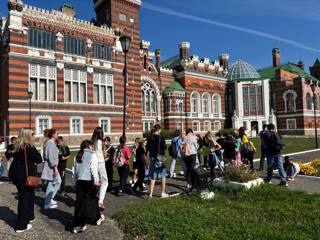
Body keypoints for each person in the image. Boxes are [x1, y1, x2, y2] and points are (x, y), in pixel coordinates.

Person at [9, 129, 42, 233]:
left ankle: (29, 217)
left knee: (28, 197)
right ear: (27, 136)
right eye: (32, 134)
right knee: (24, 200)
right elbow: (39, 159)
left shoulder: (18, 147)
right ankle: (21, 225)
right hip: (26, 177)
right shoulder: (28, 147)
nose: (34, 136)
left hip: (19, 177)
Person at [73, 140, 105, 234]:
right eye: (92, 146)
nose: (92, 147)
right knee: (92, 200)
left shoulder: (77, 155)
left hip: (79, 182)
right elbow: (93, 169)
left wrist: (75, 182)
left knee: (79, 203)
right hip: (89, 181)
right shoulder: (92, 154)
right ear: (89, 146)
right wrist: (96, 181)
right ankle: (95, 218)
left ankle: (78, 224)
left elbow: (75, 171)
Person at [146, 124, 168, 198]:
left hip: (152, 159)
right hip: (160, 159)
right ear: (158, 130)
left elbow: (147, 148)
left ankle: (150, 194)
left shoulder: (149, 138)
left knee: (153, 177)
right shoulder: (161, 138)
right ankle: (162, 193)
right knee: (163, 176)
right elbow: (165, 147)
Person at [41, 128, 61, 209]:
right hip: (51, 167)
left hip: (51, 166)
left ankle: (49, 199)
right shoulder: (50, 143)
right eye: (57, 133)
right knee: (54, 182)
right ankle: (48, 201)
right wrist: (55, 168)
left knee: (54, 182)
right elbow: (51, 157)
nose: (58, 135)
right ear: (53, 134)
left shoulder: (51, 142)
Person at [91, 127, 108, 210]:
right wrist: (105, 147)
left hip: (93, 163)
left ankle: (94, 199)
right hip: (100, 163)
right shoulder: (101, 142)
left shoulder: (92, 142)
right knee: (105, 182)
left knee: (96, 182)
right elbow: (105, 155)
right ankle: (100, 201)